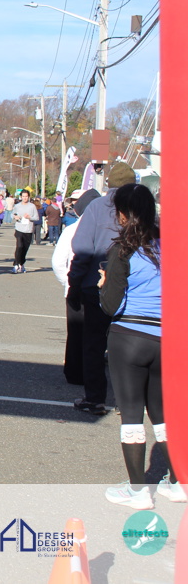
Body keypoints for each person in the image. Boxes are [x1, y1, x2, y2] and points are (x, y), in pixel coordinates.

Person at [99, 184, 181, 508]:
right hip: (166, 337)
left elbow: (110, 306)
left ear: (122, 214)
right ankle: (178, 481)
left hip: (129, 336)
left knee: (132, 415)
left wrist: (103, 284)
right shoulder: (170, 245)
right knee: (163, 414)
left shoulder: (122, 250)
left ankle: (137, 491)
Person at [68, 162, 138, 416]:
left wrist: (74, 283)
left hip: (96, 284)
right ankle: (126, 401)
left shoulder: (98, 206)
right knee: (127, 345)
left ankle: (95, 398)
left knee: (94, 344)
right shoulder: (142, 208)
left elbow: (83, 249)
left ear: (109, 184)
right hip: (132, 287)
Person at [51, 189, 100, 385]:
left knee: (79, 332)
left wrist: (68, 282)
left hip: (81, 287)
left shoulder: (74, 230)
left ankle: (77, 371)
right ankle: (81, 371)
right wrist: (68, 282)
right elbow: (58, 262)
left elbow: (57, 262)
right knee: (88, 332)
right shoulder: (73, 230)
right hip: (83, 287)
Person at [10, 190, 38, 274]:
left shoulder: (32, 206)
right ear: (21, 197)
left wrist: (30, 217)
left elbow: (36, 218)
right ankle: (16, 265)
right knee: (19, 246)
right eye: (23, 196)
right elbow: (12, 214)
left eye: (26, 196)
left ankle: (21, 264)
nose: (25, 198)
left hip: (28, 230)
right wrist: (15, 217)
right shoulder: (17, 206)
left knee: (25, 248)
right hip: (19, 229)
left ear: (28, 197)